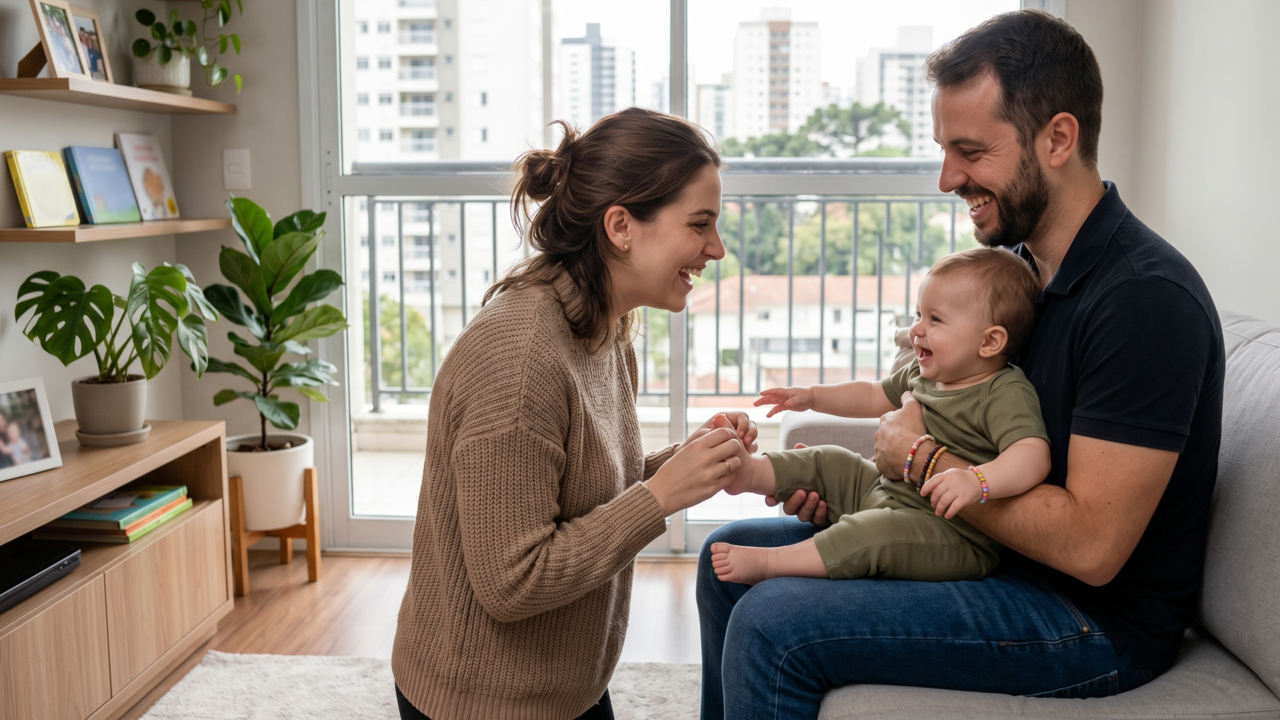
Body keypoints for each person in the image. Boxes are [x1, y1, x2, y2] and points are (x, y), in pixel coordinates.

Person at [697, 10, 1225, 719]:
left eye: (971, 151)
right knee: (723, 558)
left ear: (1058, 138)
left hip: (1090, 622)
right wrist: (864, 499)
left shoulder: (1144, 302)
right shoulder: (1017, 275)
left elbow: (1092, 547)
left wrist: (916, 462)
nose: (948, 177)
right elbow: (931, 399)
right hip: (983, 554)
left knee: (773, 623)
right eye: (946, 150)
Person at [392, 108, 758, 720]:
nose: (715, 249)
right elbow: (513, 581)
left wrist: (688, 463)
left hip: (563, 690)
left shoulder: (602, 325)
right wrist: (660, 496)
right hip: (482, 704)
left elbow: (577, 490)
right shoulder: (519, 361)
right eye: (700, 225)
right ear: (621, 225)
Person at [710, 247, 1050, 585]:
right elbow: (871, 394)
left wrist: (978, 481)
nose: (917, 329)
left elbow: (1032, 455)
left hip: (950, 533)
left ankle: (772, 562)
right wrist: (813, 396)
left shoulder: (1004, 392)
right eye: (918, 314)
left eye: (936, 319)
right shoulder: (923, 373)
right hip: (886, 491)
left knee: (873, 533)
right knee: (831, 459)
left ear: (989, 341)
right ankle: (750, 473)